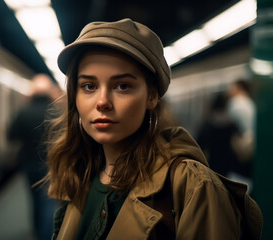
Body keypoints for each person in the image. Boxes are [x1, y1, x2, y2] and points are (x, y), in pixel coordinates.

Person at [43, 19, 262, 239]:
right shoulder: (80, 174)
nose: (102, 102)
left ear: (152, 96)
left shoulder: (193, 187)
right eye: (89, 86)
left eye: (122, 86)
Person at [8, 74, 61, 240]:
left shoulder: (23, 112)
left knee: (33, 200)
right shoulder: (56, 113)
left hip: (28, 164)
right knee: (47, 200)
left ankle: (37, 231)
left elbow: (11, 136)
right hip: (50, 164)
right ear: (48, 92)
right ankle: (45, 236)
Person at [197, 92, 240, 176]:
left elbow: (199, 143)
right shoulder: (231, 123)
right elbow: (238, 141)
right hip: (228, 162)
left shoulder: (208, 123)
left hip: (212, 161)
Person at [227, 79, 256, 178]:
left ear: (239, 88)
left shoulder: (236, 102)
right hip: (251, 144)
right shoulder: (249, 102)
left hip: (242, 146)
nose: (229, 91)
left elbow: (229, 124)